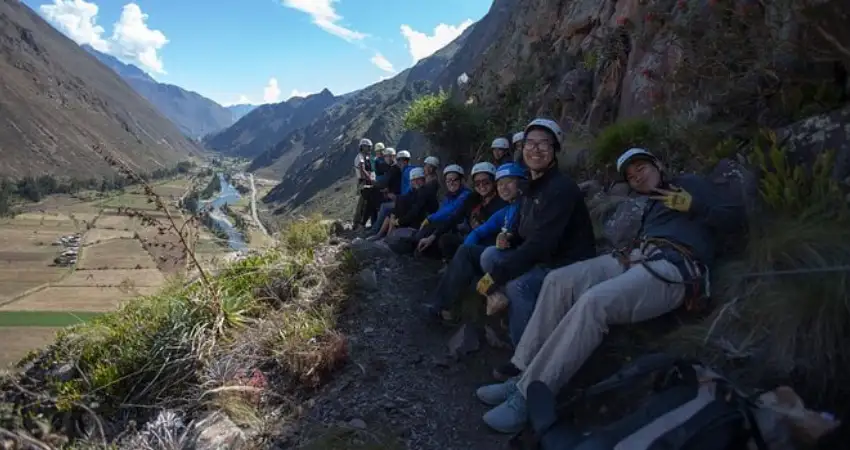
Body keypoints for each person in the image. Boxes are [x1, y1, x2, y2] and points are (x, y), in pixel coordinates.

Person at [475, 148, 746, 434]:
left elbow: (735, 217)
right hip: (636, 258)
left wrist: (694, 205)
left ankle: (531, 395)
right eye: (630, 176)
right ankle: (522, 373)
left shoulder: (689, 184)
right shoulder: (652, 205)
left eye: (640, 168)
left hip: (675, 266)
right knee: (558, 281)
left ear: (658, 165)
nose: (636, 177)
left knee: (594, 302)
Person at [473, 118, 596, 351]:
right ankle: (513, 322)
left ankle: (525, 359)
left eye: (544, 144)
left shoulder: (561, 189)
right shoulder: (529, 188)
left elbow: (541, 243)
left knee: (518, 286)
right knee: (489, 255)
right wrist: (509, 238)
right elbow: (522, 232)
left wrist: (496, 277)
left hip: (566, 262)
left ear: (555, 150)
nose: (535, 149)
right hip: (543, 256)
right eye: (530, 143)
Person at [416, 162, 506, 261]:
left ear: (494, 182)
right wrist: (432, 236)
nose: (482, 186)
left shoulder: (500, 202)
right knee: (444, 239)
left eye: (486, 182)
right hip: (470, 238)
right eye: (477, 183)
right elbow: (455, 217)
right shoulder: (473, 198)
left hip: (488, 244)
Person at [392, 164, 471, 256]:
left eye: (455, 180)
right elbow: (442, 210)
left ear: (461, 180)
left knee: (427, 235)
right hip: (443, 224)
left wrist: (430, 218)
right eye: (449, 180)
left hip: (457, 227)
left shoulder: (465, 195)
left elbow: (450, 210)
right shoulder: (449, 195)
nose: (451, 183)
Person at [370, 150, 413, 237]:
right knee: (386, 208)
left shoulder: (407, 171)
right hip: (403, 200)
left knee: (384, 207)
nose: (399, 163)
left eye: (401, 161)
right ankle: (378, 233)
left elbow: (410, 190)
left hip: (405, 202)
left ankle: (375, 231)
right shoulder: (406, 170)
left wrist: (397, 197)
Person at [352, 138, 374, 230]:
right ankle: (357, 223)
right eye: (367, 147)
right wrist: (370, 178)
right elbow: (362, 168)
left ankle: (364, 222)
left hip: (368, 181)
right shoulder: (360, 157)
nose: (369, 149)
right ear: (362, 147)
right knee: (362, 202)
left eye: (369, 147)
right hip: (363, 182)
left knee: (367, 202)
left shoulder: (366, 157)